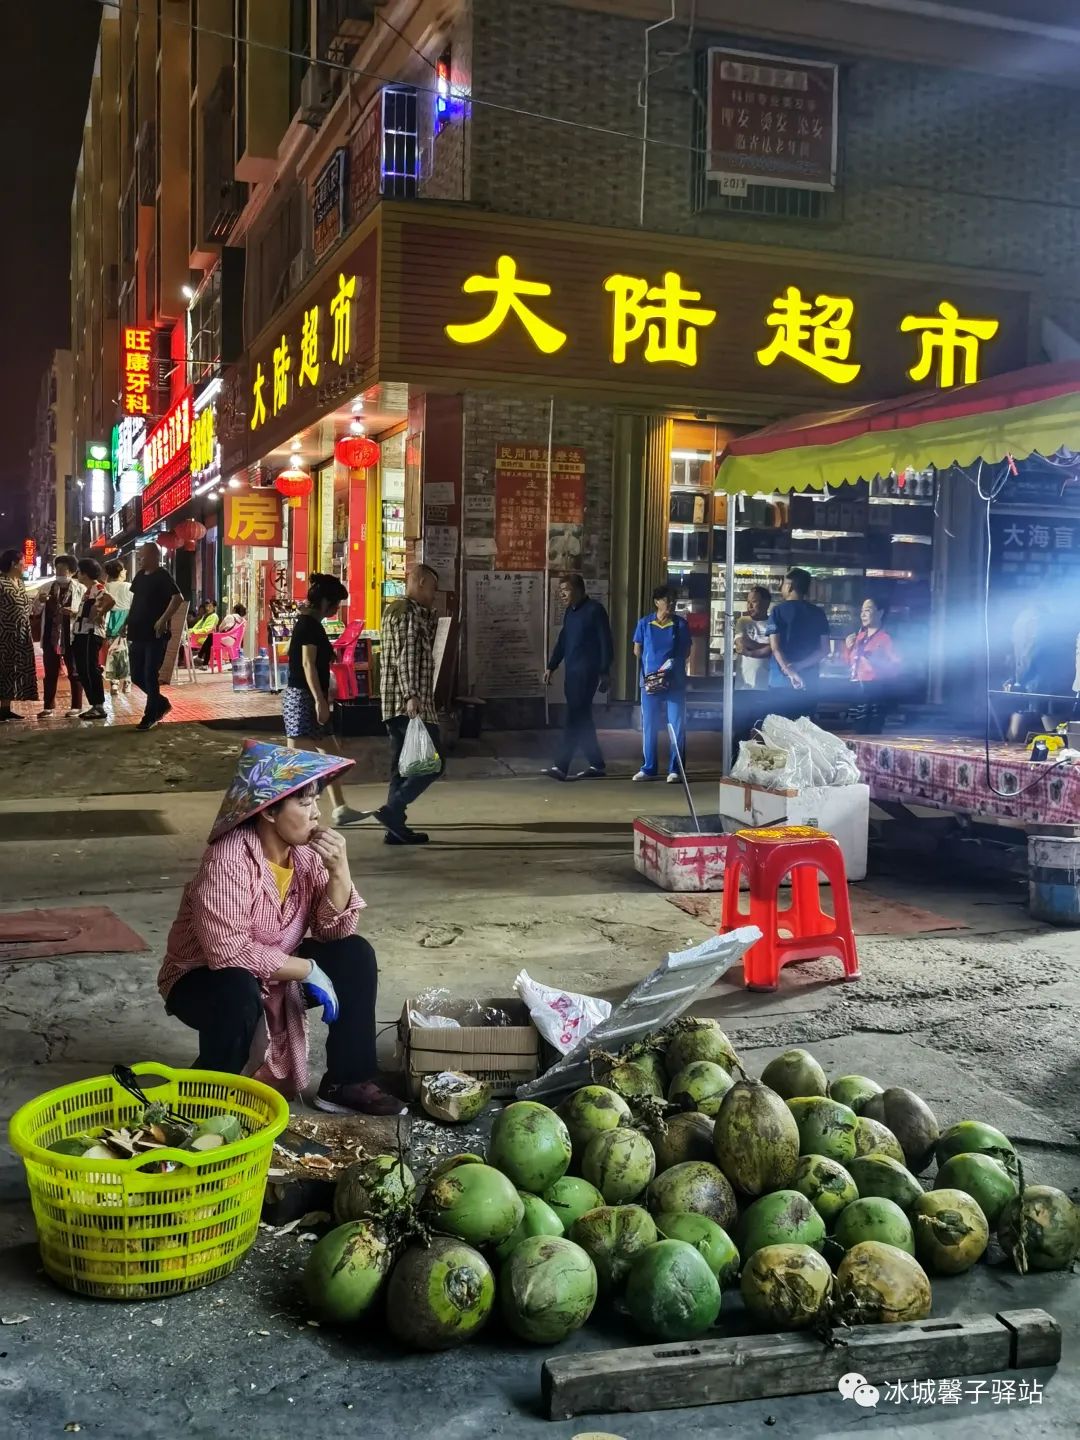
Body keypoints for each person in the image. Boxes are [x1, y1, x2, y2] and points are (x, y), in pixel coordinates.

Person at [157, 740, 404, 1115]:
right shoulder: (228, 859)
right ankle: (205, 1096)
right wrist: (307, 969)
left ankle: (346, 1081)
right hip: (203, 979)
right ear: (269, 811)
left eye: (316, 802)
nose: (316, 814)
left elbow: (332, 932)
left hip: (272, 971)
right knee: (238, 991)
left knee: (354, 954)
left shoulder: (305, 854)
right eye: (304, 804)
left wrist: (340, 872)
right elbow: (228, 952)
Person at [282, 574, 365, 828]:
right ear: (325, 601)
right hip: (303, 697)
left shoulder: (309, 623)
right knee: (298, 760)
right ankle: (291, 812)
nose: (336, 609)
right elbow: (307, 663)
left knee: (327, 754)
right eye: (336, 603)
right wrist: (319, 699)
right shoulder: (308, 625)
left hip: (305, 696)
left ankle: (339, 807)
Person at [373, 563, 443, 845]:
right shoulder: (409, 614)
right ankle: (392, 811)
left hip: (395, 702)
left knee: (401, 768)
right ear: (421, 582)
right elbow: (407, 658)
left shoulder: (394, 611)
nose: (434, 595)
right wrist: (411, 695)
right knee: (432, 763)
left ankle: (395, 829)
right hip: (410, 704)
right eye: (434, 588)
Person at [543, 574, 614, 780]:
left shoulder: (595, 610)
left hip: (587, 673)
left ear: (579, 589)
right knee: (583, 719)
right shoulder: (570, 613)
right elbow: (563, 641)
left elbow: (605, 642)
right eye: (560, 590)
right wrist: (552, 666)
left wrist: (604, 672)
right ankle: (597, 764)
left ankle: (561, 766)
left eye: (565, 589)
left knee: (574, 716)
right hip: (572, 674)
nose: (562, 594)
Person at [122, 542, 184, 730]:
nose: (140, 559)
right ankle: (161, 702)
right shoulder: (140, 576)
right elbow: (136, 602)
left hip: (155, 634)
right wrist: (125, 622)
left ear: (154, 557)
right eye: (139, 556)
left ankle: (150, 715)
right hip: (137, 632)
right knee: (136, 675)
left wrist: (163, 619)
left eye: (143, 556)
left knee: (149, 674)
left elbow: (178, 598)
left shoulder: (162, 575)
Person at [632, 585, 690, 782]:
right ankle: (648, 768)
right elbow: (637, 649)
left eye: (673, 600)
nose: (671, 604)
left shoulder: (680, 625)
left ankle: (676, 769)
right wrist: (650, 669)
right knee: (649, 724)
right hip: (650, 682)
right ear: (657, 602)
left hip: (674, 682)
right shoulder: (644, 623)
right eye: (667, 600)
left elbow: (685, 652)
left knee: (676, 725)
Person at [766, 567, 831, 713]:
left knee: (779, 729)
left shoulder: (777, 611)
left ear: (789, 586)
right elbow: (825, 650)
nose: (781, 587)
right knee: (804, 730)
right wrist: (799, 666)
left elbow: (775, 648)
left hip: (780, 682)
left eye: (783, 584)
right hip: (809, 682)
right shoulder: (818, 613)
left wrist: (790, 671)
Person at [36, 555, 85, 718]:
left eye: (63, 569)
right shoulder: (46, 587)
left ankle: (76, 706)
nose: (59, 572)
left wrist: (75, 613)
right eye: (57, 569)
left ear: (72, 571)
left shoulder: (81, 589)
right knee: (50, 672)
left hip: (71, 637)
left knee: (75, 672)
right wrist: (41, 602)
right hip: (51, 637)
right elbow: (35, 611)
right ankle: (48, 706)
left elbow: (85, 613)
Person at [845, 597, 901, 733]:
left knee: (871, 731)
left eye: (868, 610)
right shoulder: (858, 637)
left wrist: (877, 664)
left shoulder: (886, 638)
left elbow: (897, 666)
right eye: (862, 611)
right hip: (857, 688)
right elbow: (849, 662)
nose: (862, 614)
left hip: (875, 690)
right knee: (856, 730)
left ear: (880, 613)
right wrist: (848, 648)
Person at [0, 548, 37, 722]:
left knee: (15, 670)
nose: (25, 565)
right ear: (14, 564)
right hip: (4, 633)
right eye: (23, 562)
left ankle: (6, 708)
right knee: (3, 668)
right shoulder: (1, 582)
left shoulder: (20, 583)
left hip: (21, 632)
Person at [71, 557, 109, 721]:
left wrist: (100, 613)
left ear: (84, 573)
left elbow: (109, 600)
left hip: (90, 634)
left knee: (89, 669)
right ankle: (95, 705)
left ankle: (98, 706)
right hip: (82, 634)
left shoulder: (97, 587)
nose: (77, 574)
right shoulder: (88, 591)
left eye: (79, 571)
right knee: (83, 669)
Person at [101, 558, 133, 694]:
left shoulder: (105, 587)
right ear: (120, 571)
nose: (125, 571)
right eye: (124, 569)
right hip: (126, 619)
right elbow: (134, 606)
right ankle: (127, 681)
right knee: (126, 653)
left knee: (112, 653)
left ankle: (114, 683)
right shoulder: (128, 586)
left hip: (110, 621)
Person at [734, 585, 772, 690]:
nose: (749, 606)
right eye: (748, 602)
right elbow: (741, 643)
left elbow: (772, 650)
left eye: (754, 602)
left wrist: (750, 650)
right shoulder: (742, 621)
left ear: (766, 603)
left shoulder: (772, 623)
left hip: (766, 683)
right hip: (743, 684)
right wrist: (767, 647)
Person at [196, 601, 246, 667]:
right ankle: (203, 661)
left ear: (234, 610)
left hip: (227, 639)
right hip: (236, 641)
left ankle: (201, 658)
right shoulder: (243, 621)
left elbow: (220, 628)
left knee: (211, 637)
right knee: (211, 638)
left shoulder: (230, 617)